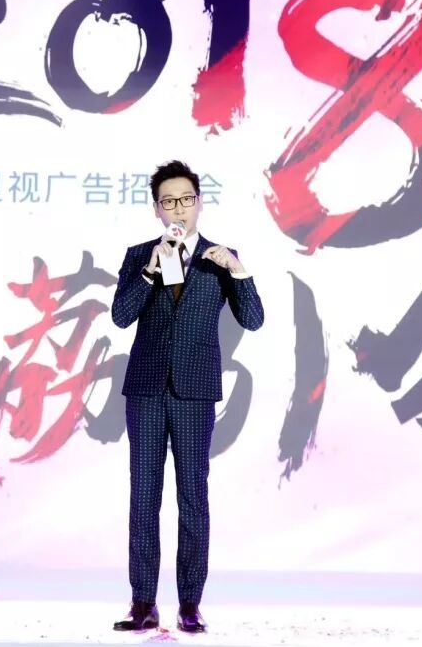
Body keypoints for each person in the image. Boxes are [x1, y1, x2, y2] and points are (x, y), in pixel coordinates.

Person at [110, 160, 264, 632]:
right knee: (144, 496)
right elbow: (121, 316)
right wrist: (150, 270)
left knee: (193, 497)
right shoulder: (140, 255)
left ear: (199, 202)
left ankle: (190, 603)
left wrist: (238, 270)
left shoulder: (220, 258)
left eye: (186, 199)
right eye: (168, 201)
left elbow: (254, 319)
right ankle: (143, 603)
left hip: (195, 392)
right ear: (156, 209)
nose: (178, 209)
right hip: (146, 390)